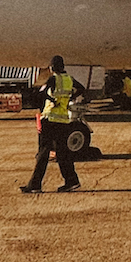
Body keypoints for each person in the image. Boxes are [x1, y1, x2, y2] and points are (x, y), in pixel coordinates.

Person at [21, 56, 87, 193]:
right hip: (63, 120)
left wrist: (52, 99)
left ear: (51, 68)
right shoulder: (69, 79)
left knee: (43, 153)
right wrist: (70, 98)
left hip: (50, 118)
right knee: (63, 153)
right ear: (63, 66)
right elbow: (81, 89)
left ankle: (35, 185)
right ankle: (72, 181)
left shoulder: (53, 79)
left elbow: (41, 93)